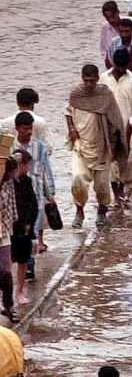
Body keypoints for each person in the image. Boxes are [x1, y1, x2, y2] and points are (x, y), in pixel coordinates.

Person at [66, 65, 128, 229]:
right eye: (86, 81)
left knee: (102, 185)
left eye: (92, 81)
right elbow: (68, 113)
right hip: (81, 146)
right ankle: (79, 211)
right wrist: (71, 128)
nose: (89, 84)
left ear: (97, 79)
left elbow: (115, 119)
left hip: (102, 147)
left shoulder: (105, 95)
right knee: (78, 179)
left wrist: (116, 144)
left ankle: (101, 213)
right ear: (82, 78)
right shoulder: (76, 94)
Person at [100, 49, 132, 208]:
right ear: (113, 64)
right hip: (108, 129)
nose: (121, 71)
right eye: (118, 67)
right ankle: (117, 195)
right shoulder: (104, 78)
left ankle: (121, 190)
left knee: (126, 161)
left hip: (127, 128)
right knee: (111, 164)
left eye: (124, 68)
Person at [12, 112, 55, 279]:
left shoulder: (40, 147)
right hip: (14, 197)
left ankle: (29, 264)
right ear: (17, 128)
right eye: (25, 128)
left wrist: (50, 195)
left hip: (34, 198)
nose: (28, 132)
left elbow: (45, 171)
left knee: (32, 231)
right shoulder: (8, 146)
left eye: (30, 128)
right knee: (15, 233)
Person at [11, 150, 36, 306]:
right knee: (6, 262)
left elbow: (33, 204)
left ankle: (19, 290)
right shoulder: (6, 181)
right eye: (26, 165)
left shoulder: (27, 181)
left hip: (24, 227)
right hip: (8, 227)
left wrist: (28, 224)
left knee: (22, 260)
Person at [0, 88, 53, 153]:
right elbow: (48, 148)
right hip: (35, 160)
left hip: (11, 160)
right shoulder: (41, 122)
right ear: (33, 103)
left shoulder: (5, 122)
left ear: (17, 102)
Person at [0, 156, 18, 323]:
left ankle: (9, 305)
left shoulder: (8, 184)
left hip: (3, 231)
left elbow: (12, 206)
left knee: (6, 270)